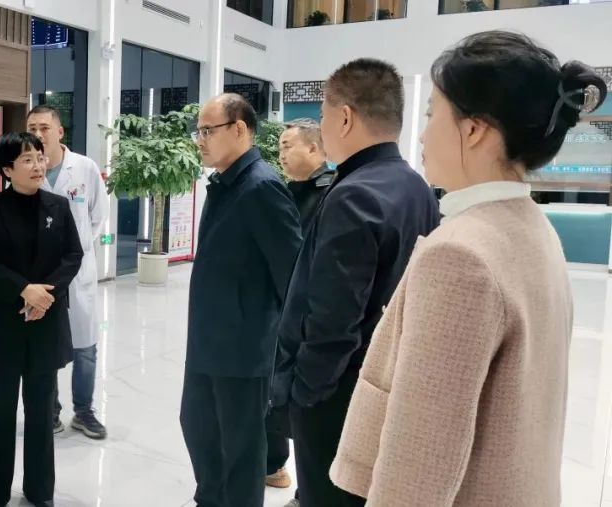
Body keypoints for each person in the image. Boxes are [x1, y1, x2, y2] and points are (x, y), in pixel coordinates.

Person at [331, 31, 608, 506]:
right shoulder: (533, 227)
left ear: (474, 129)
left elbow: (420, 457)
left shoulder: (459, 256)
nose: (422, 134)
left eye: (432, 114)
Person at [274, 59, 440, 507]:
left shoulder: (352, 195)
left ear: (344, 118)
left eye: (323, 115)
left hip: (337, 397)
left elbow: (332, 319)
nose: (322, 126)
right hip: (386, 382)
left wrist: (305, 396)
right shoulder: (416, 187)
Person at [182, 93, 302, 507]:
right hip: (208, 342)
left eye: (207, 131)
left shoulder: (261, 187)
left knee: (240, 451)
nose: (200, 140)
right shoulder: (225, 183)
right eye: (198, 131)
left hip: (242, 351)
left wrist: (284, 352)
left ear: (239, 129)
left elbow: (292, 276)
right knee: (199, 429)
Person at [0, 132, 84, 507]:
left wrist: (45, 296)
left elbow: (73, 255)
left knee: (41, 412)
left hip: (45, 321)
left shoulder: (57, 206)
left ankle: (39, 491)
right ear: (7, 170)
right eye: (27, 159)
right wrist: (23, 290)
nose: (37, 165)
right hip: (1, 323)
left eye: (40, 157)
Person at [26, 105, 111, 439]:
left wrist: (78, 250)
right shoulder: (26, 169)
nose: (38, 133)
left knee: (85, 347)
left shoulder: (84, 168)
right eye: (32, 128)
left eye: (45, 127)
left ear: (60, 132)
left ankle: (84, 411)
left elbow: (98, 215)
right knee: (44, 346)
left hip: (78, 274)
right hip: (39, 275)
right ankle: (50, 409)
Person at [263, 119, 336, 504]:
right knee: (273, 386)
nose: (281, 154)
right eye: (279, 147)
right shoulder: (285, 192)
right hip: (278, 304)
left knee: (307, 398)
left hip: (311, 310)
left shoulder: (334, 194)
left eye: (288, 145)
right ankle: (273, 463)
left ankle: (311, 487)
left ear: (313, 148)